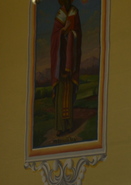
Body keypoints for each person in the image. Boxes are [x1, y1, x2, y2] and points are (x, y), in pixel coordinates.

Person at [51, 0, 82, 136]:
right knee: (60, 95)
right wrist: (63, 30)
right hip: (60, 61)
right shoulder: (60, 14)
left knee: (68, 95)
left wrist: (71, 34)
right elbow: (54, 37)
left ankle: (68, 125)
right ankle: (60, 126)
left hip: (70, 61)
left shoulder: (74, 12)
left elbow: (78, 33)